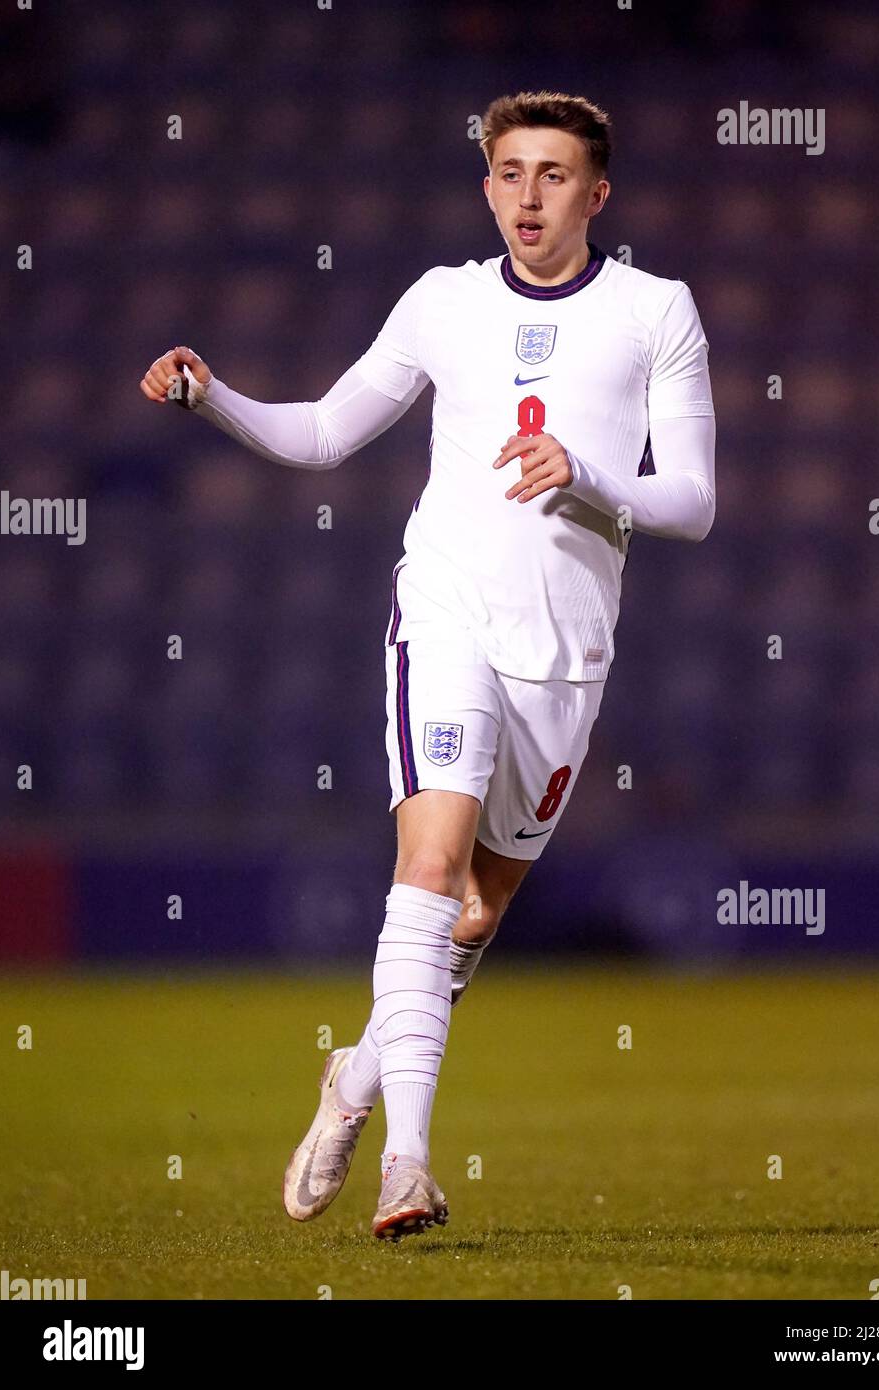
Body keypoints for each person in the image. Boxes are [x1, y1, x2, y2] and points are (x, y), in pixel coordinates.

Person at [139, 89, 716, 1241]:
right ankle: (408, 1163)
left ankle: (352, 1078)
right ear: (487, 184)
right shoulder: (443, 302)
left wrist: (587, 473)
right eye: (509, 173)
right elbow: (323, 432)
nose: (528, 197)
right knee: (430, 857)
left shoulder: (658, 311)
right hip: (447, 612)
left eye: (553, 176)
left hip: (567, 654)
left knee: (469, 919)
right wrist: (214, 399)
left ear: (597, 194)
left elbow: (694, 503)